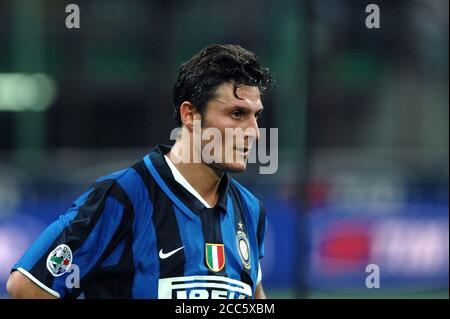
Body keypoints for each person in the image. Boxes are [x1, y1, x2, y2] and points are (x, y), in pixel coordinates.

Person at [6, 44, 274, 299]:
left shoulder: (249, 209)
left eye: (256, 116)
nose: (253, 132)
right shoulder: (122, 196)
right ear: (190, 115)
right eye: (237, 114)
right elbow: (27, 286)